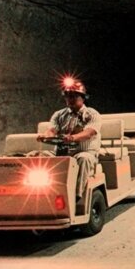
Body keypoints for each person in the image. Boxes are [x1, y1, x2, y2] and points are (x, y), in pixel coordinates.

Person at [37, 78, 102, 208]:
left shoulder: (92, 114)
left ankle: (76, 196)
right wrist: (45, 136)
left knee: (83, 159)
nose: (70, 99)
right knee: (40, 156)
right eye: (67, 96)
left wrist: (73, 138)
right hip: (61, 153)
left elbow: (89, 132)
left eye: (74, 96)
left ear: (83, 98)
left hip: (84, 151)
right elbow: (52, 130)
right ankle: (40, 192)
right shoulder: (59, 115)